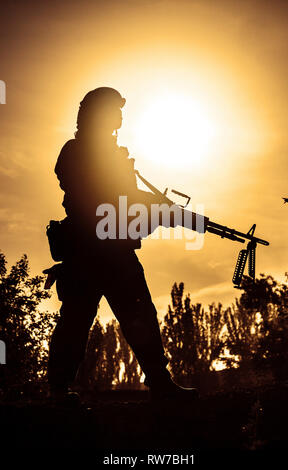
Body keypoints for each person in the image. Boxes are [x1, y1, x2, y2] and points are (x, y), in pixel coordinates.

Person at [47, 87, 198, 402]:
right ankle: (58, 390)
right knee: (75, 321)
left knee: (141, 315)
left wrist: (164, 211)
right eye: (114, 111)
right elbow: (94, 192)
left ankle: (159, 381)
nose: (119, 117)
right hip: (86, 252)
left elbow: (126, 198)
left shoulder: (118, 156)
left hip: (116, 251)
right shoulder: (75, 151)